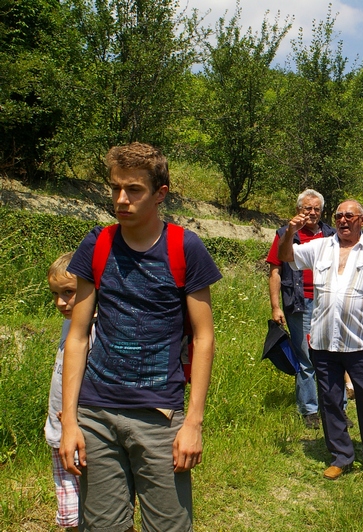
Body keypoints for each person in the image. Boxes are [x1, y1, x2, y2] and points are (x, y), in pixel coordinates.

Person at [59, 142, 222, 532]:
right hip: (96, 413)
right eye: (115, 188)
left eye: (133, 190)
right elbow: (78, 337)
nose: (121, 199)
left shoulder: (185, 247)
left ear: (160, 193)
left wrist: (193, 423)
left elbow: (204, 337)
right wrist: (69, 423)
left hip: (159, 415)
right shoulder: (96, 244)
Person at [278, 199, 363, 480]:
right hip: (323, 341)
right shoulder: (321, 247)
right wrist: (288, 232)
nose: (343, 221)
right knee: (331, 401)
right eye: (339, 216)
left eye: (349, 216)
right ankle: (341, 456)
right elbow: (287, 257)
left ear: (362, 221)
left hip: (361, 342)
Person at [267, 189, 335, 429]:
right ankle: (309, 409)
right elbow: (275, 270)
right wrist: (275, 307)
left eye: (317, 209)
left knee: (331, 355)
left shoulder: (331, 235)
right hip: (299, 302)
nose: (312, 213)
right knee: (306, 356)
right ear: (298, 210)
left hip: (327, 302)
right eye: (307, 208)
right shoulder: (285, 234)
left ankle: (337, 408)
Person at [45, 252, 80, 531]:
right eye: (55, 294)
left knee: (105, 516)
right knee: (71, 517)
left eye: (68, 292)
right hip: (59, 435)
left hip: (83, 438)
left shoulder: (96, 327)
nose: (60, 302)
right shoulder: (69, 322)